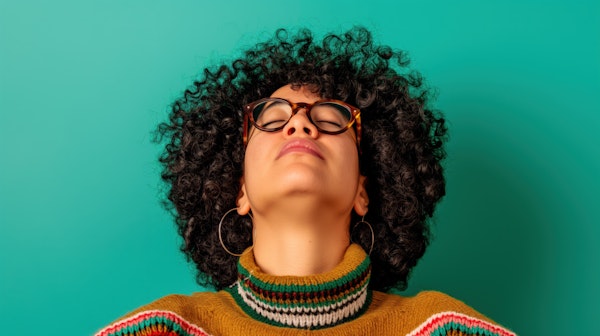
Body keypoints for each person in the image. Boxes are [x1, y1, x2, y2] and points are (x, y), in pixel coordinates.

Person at [96, 27, 515, 335]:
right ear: (238, 190)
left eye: (331, 120)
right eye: (273, 118)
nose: (299, 124)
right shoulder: (162, 329)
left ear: (363, 191)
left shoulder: (444, 329)